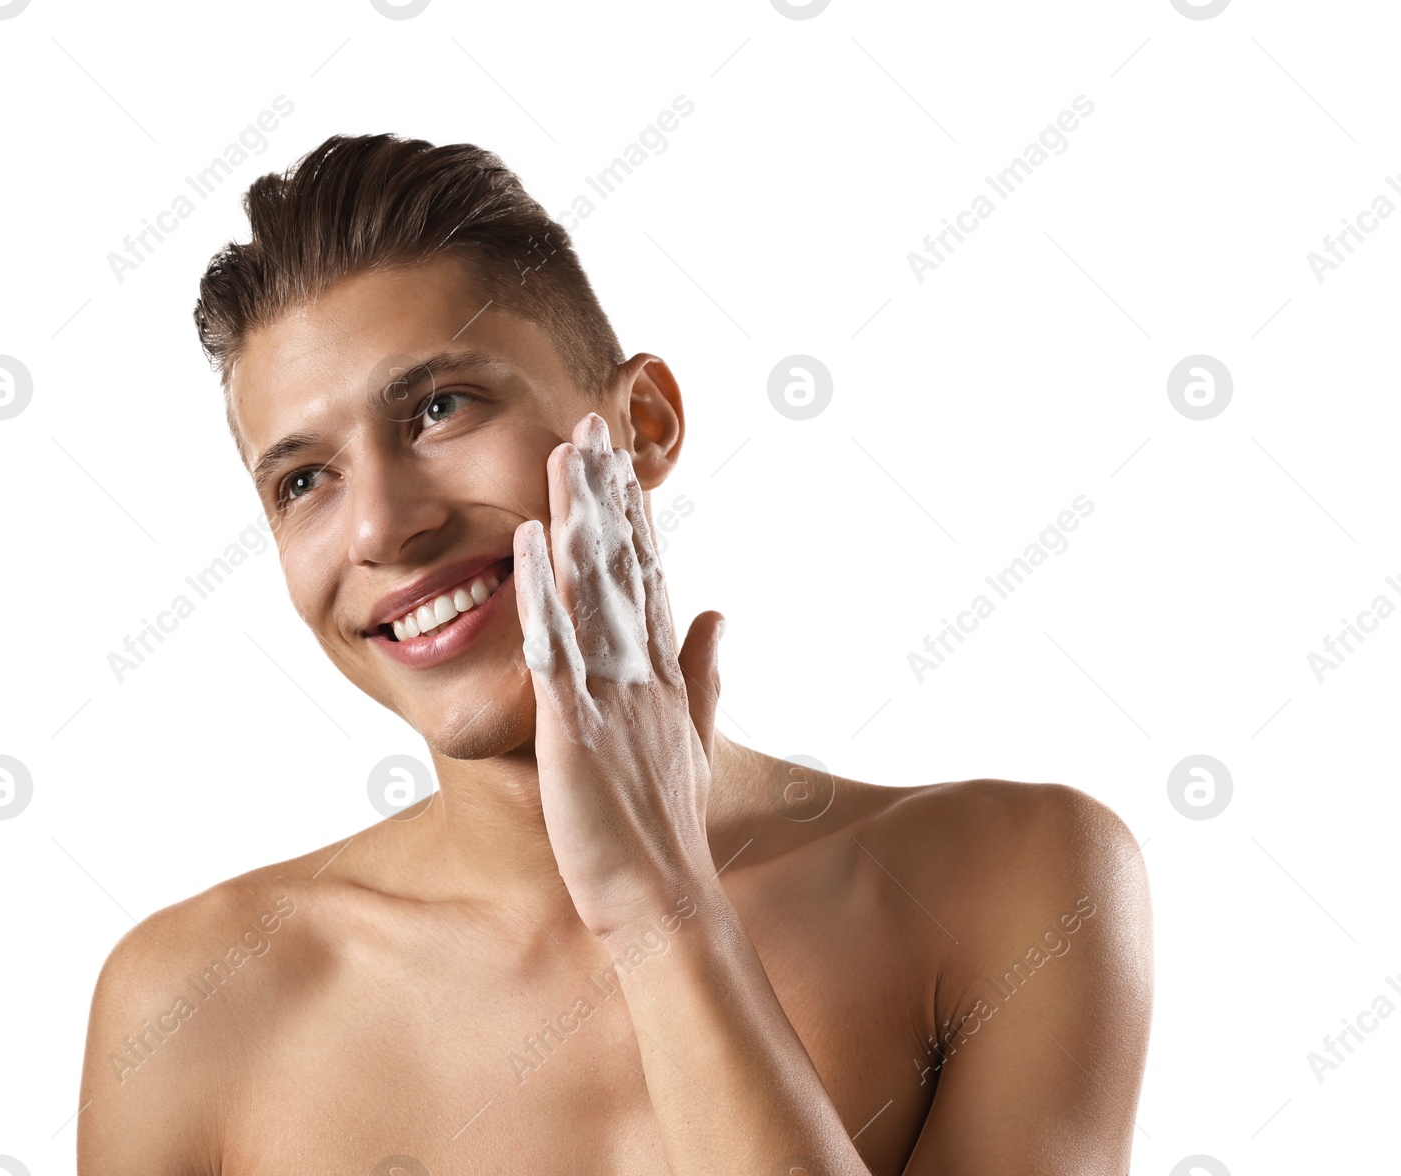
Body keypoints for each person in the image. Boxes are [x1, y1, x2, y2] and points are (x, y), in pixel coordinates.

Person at [77, 133, 1152, 1176]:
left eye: (440, 408)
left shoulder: (1014, 879)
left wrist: (661, 906)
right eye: (303, 480)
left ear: (642, 422)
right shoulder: (190, 1009)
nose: (379, 530)